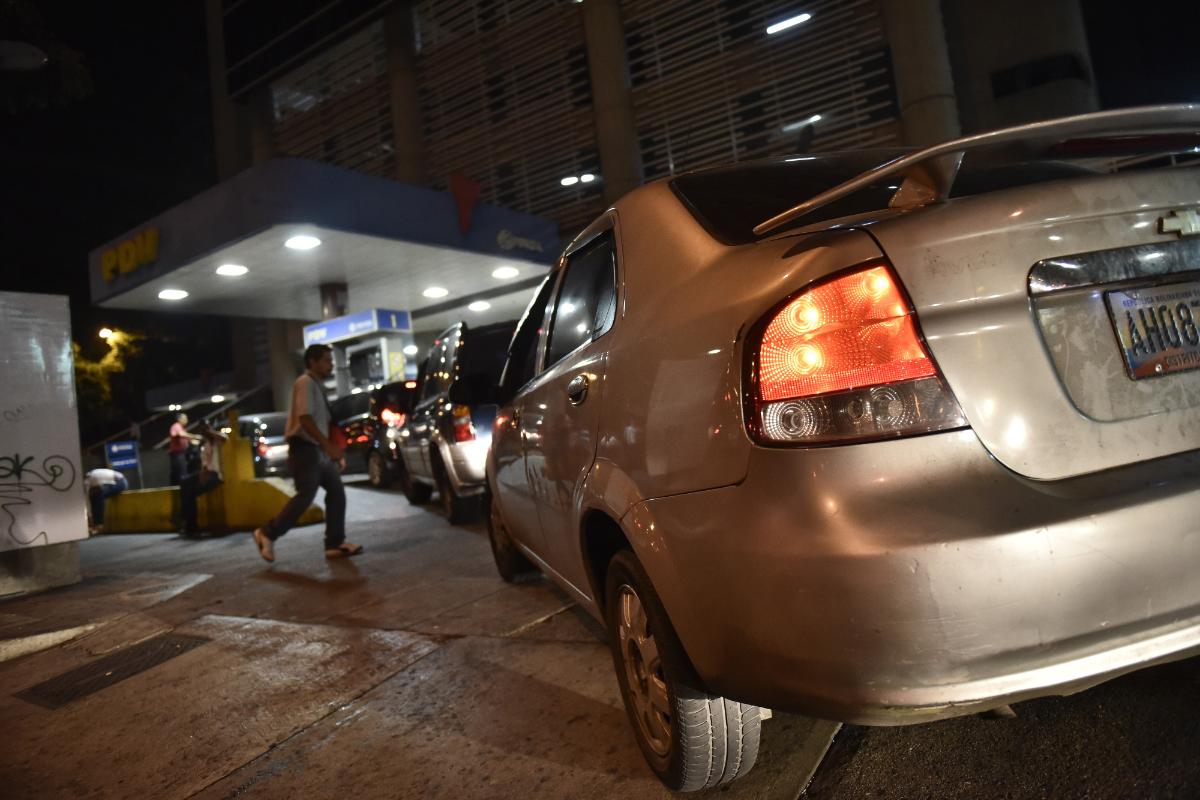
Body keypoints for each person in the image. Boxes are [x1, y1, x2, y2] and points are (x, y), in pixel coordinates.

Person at [252, 344, 362, 562]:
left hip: (317, 450)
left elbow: (321, 422)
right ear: (312, 361)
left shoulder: (316, 385)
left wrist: (330, 450)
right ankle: (267, 533)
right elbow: (305, 418)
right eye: (326, 361)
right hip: (305, 449)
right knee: (305, 497)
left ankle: (334, 543)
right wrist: (328, 446)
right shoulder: (305, 383)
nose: (331, 365)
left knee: (336, 492)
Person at [179, 421, 227, 537]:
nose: (204, 431)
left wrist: (209, 431)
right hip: (208, 473)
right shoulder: (205, 444)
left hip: (217, 475)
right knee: (185, 483)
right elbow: (204, 464)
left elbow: (224, 438)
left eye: (206, 428)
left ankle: (190, 525)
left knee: (191, 492)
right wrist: (202, 474)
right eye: (202, 429)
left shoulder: (218, 440)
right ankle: (187, 522)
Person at [85, 468, 128, 535]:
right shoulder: (93, 474)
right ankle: (98, 525)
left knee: (99, 497)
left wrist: (90, 516)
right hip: (116, 481)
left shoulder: (88, 481)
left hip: (121, 482)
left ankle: (99, 526)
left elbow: (87, 499)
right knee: (96, 497)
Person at [167, 412, 201, 485]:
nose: (187, 420)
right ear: (179, 419)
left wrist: (200, 440)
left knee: (181, 472)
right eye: (185, 418)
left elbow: (189, 440)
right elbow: (181, 434)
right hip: (177, 455)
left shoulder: (182, 428)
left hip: (182, 454)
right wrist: (195, 436)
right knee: (181, 473)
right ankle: (182, 489)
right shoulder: (176, 426)